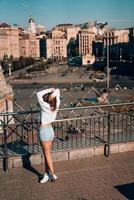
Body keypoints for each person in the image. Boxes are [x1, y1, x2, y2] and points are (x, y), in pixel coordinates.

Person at [36, 88, 60, 183]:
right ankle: (46, 174)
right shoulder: (56, 105)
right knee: (46, 153)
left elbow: (38, 94)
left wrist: (49, 90)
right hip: (50, 130)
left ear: (49, 99)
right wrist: (53, 93)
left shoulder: (45, 106)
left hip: (44, 131)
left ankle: (53, 173)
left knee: (47, 153)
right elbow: (58, 91)